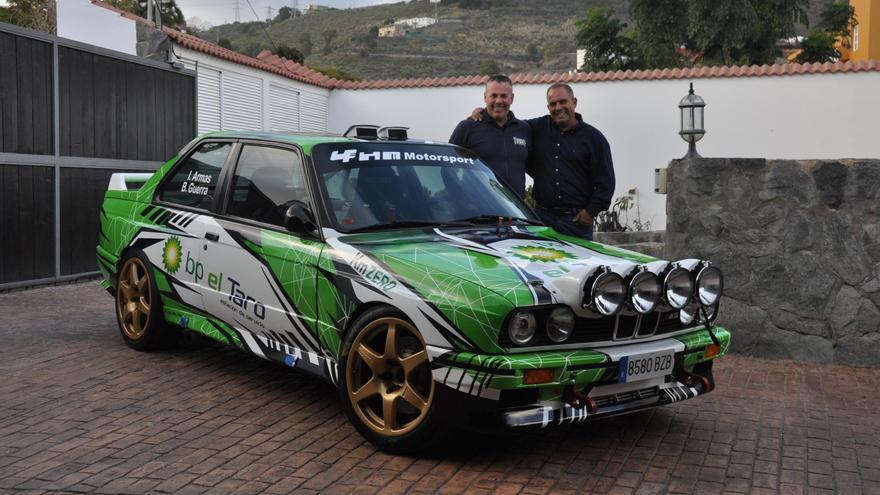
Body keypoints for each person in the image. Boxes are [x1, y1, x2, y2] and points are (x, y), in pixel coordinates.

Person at [526, 83, 615, 240]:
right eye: (553, 104)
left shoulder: (594, 139)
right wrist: (481, 115)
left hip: (576, 223)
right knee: (542, 264)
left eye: (563, 102)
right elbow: (509, 126)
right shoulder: (537, 128)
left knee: (579, 265)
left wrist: (590, 213)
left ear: (574, 102)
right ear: (548, 107)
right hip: (542, 219)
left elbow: (606, 183)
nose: (558, 107)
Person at [449, 74, 531, 197]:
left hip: (515, 211)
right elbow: (448, 169)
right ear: (485, 97)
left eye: (503, 96)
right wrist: (461, 200)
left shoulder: (524, 129)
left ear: (512, 98)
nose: (498, 101)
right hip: (479, 210)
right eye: (494, 95)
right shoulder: (467, 127)